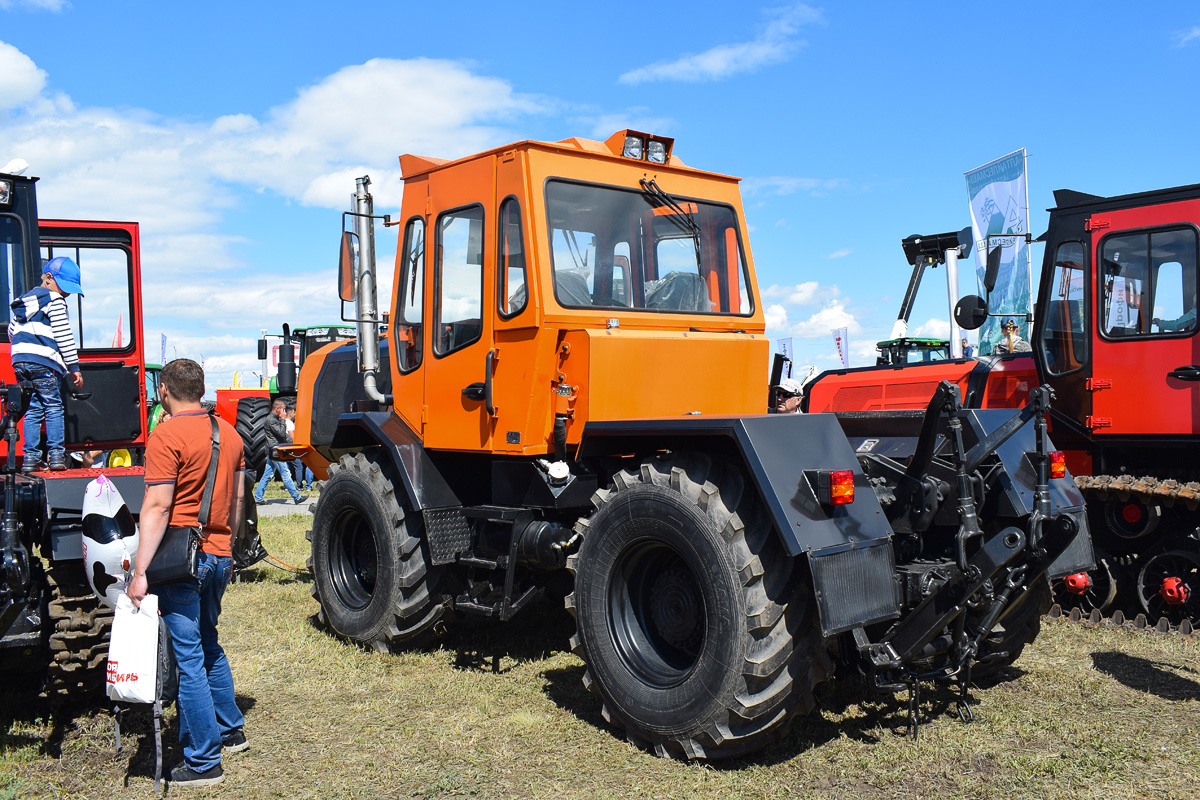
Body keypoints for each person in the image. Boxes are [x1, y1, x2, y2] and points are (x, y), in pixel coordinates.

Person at [127, 359, 248, 789]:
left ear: (164, 391)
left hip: (182, 563)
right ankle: (230, 728)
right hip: (218, 554)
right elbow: (236, 503)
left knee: (188, 657)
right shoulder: (230, 434)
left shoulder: (165, 435)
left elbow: (158, 507)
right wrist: (228, 550)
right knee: (208, 640)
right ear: (200, 389)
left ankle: (203, 760)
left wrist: (140, 570)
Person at [8, 256, 84, 472]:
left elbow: (12, 332)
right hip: (44, 362)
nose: (67, 294)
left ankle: (31, 458)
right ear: (49, 278)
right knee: (53, 406)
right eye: (66, 288)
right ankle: (57, 455)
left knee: (33, 408)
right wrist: (73, 367)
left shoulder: (22, 303)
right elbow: (63, 335)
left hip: (20, 361)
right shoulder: (54, 300)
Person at [253, 399, 305, 504]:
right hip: (275, 451)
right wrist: (283, 419)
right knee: (285, 473)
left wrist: (296, 442)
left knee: (267, 475)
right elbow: (281, 433)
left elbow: (284, 437)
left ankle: (258, 497)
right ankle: (297, 497)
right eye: (283, 409)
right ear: (277, 409)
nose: (284, 412)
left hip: (274, 450)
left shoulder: (274, 419)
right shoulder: (271, 420)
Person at [286, 407, 314, 491]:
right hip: (297, 446)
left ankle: (290, 485)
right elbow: (292, 436)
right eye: (293, 413)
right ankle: (304, 486)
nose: (294, 414)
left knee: (288, 468)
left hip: (286, 447)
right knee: (303, 466)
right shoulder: (291, 423)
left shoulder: (284, 422)